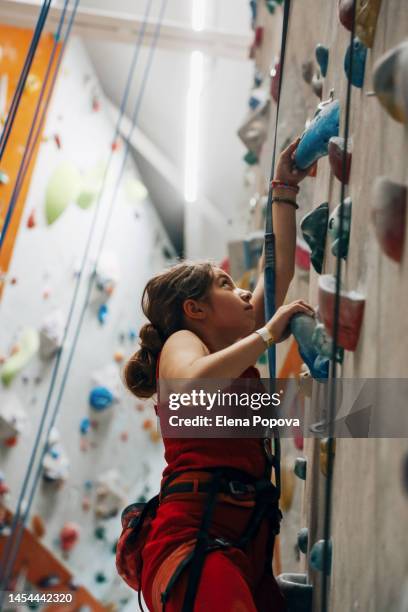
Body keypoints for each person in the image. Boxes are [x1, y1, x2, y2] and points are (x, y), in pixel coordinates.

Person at [121, 138, 314, 612]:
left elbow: (278, 274)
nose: (244, 290)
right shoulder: (182, 344)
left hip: (234, 541)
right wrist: (267, 335)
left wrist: (283, 189)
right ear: (196, 309)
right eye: (227, 285)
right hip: (195, 544)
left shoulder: (227, 352)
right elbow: (190, 388)